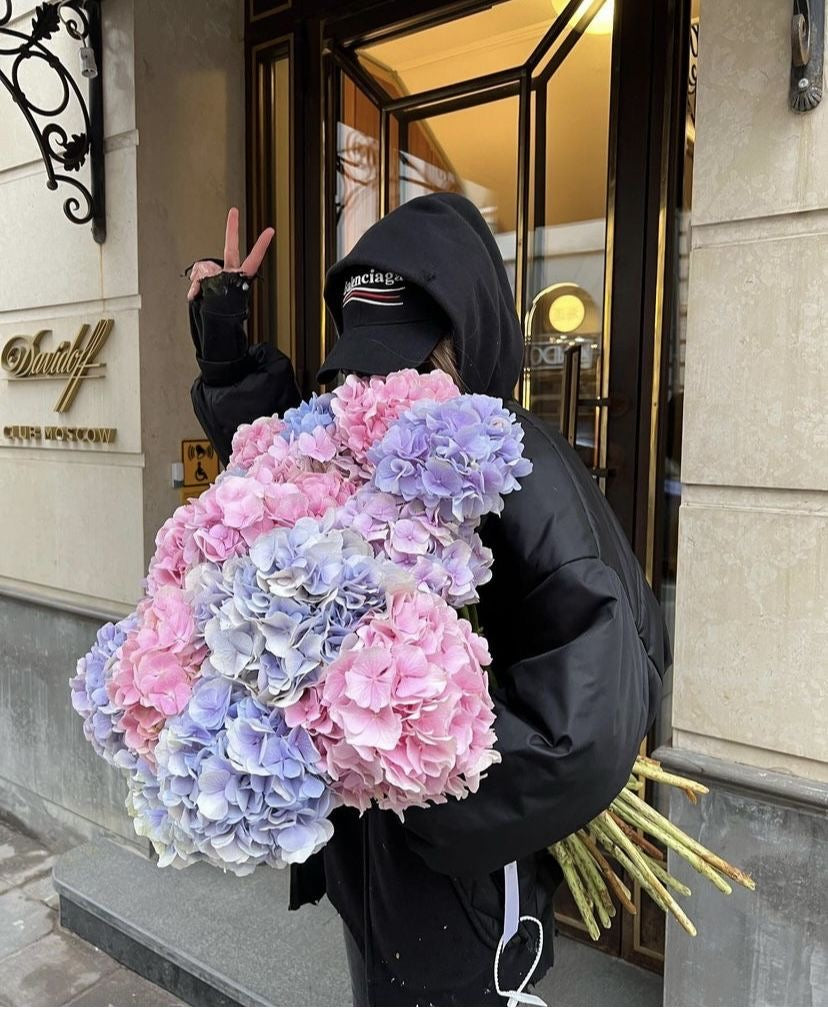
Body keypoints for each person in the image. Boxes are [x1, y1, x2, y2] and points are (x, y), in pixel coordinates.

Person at [186, 195, 670, 1006]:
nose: (383, 383)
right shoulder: (373, 446)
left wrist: (412, 766)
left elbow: (590, 720)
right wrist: (228, 358)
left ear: (468, 342)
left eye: (410, 359)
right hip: (376, 870)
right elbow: (293, 477)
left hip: (468, 897)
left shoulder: (522, 471)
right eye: (365, 362)